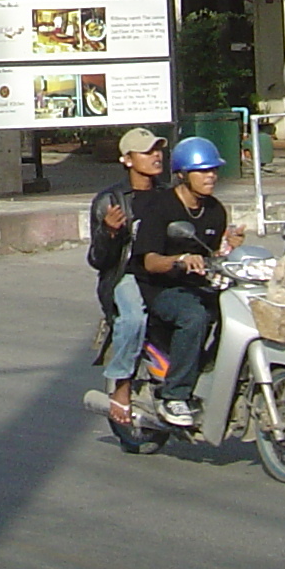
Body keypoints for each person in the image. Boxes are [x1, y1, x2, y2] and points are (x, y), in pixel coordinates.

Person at [127, 136, 245, 429]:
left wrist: (231, 247)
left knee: (240, 311)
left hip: (197, 284)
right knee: (194, 316)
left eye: (214, 170)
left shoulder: (215, 210)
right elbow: (149, 261)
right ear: (183, 174)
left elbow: (212, 256)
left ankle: (206, 369)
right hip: (158, 287)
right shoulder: (160, 207)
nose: (211, 176)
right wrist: (179, 260)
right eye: (203, 171)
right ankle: (174, 396)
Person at [83, 127, 170, 422]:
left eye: (158, 150)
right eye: (147, 152)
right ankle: (122, 385)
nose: (156, 156)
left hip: (162, 271)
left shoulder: (167, 194)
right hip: (125, 274)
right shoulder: (110, 200)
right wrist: (109, 232)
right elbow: (97, 259)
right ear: (128, 159)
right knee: (133, 317)